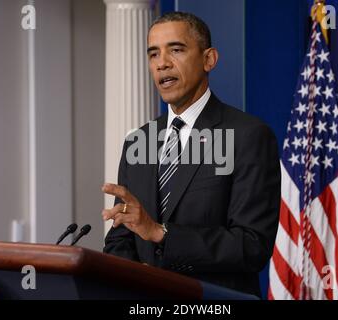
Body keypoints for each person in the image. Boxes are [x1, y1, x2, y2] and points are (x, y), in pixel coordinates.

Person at [102, 12, 280, 298]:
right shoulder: (139, 141)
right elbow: (121, 239)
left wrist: (161, 233)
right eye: (153, 54)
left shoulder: (249, 135)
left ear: (209, 59)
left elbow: (251, 246)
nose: (162, 63)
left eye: (176, 49)